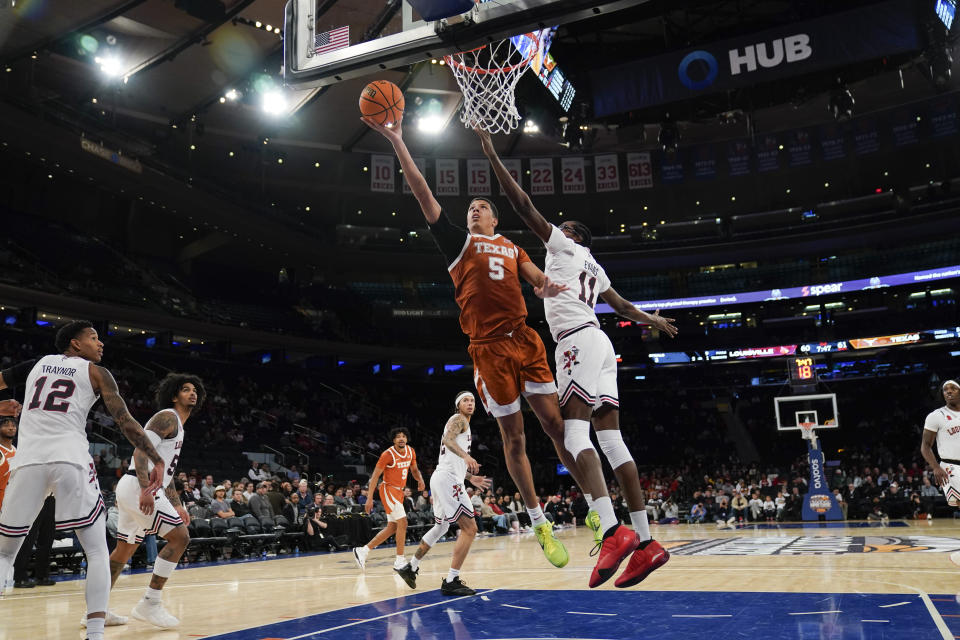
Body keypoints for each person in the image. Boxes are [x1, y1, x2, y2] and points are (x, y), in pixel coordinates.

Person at [362, 116, 579, 569]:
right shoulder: (458, 244)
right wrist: (398, 140)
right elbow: (423, 191)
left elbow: (538, 281)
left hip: (526, 339)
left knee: (556, 426)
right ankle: (538, 518)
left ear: (495, 218)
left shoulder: (514, 247)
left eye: (481, 206)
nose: (473, 210)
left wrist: (548, 288)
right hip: (489, 350)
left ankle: (595, 507)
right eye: (470, 208)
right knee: (514, 438)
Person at [474, 128, 676, 588]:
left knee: (574, 432)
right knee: (613, 443)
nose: (554, 230)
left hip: (576, 342)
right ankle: (646, 543)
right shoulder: (597, 267)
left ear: (569, 235)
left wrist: (492, 156)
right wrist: (653, 320)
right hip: (603, 344)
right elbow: (623, 310)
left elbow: (523, 205)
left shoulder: (563, 247)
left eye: (560, 227)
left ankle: (610, 529)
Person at [0, 321, 165, 640]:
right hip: (70, 459)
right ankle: (94, 633)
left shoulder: (34, 365)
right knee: (97, 551)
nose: (100, 343)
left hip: (29, 461)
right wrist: (156, 457)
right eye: (94, 338)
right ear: (75, 345)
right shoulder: (96, 372)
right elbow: (125, 422)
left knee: (5, 553)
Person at [100, 373, 205, 630]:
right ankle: (150, 603)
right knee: (180, 538)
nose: (192, 393)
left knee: (124, 550)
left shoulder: (179, 425)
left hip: (134, 485)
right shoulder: (167, 417)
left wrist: (178, 505)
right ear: (173, 395)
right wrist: (145, 489)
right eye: (185, 389)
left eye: (195, 390)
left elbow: (165, 473)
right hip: (138, 484)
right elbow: (139, 450)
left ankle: (96, 610)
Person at [395, 392, 491, 596]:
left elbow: (450, 458)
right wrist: (466, 456)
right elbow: (448, 441)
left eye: (473, 400)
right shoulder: (459, 420)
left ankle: (410, 567)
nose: (470, 403)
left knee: (442, 526)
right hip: (447, 480)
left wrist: (469, 477)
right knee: (470, 528)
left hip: (442, 477)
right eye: (466, 400)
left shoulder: (462, 423)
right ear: (458, 405)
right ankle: (451, 580)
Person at [353, 427, 425, 573]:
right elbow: (374, 477)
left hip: (399, 492)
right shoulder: (388, 454)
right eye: (398, 437)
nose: (401, 439)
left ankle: (363, 551)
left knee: (393, 527)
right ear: (393, 440)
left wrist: (420, 480)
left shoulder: (410, 451)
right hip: (388, 490)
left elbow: (415, 470)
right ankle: (399, 560)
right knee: (403, 522)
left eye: (404, 436)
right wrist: (369, 498)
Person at [921, 380, 960, 538]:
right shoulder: (937, 416)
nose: (949, 392)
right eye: (945, 390)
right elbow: (925, 446)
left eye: (953, 388)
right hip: (951, 466)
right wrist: (936, 467)